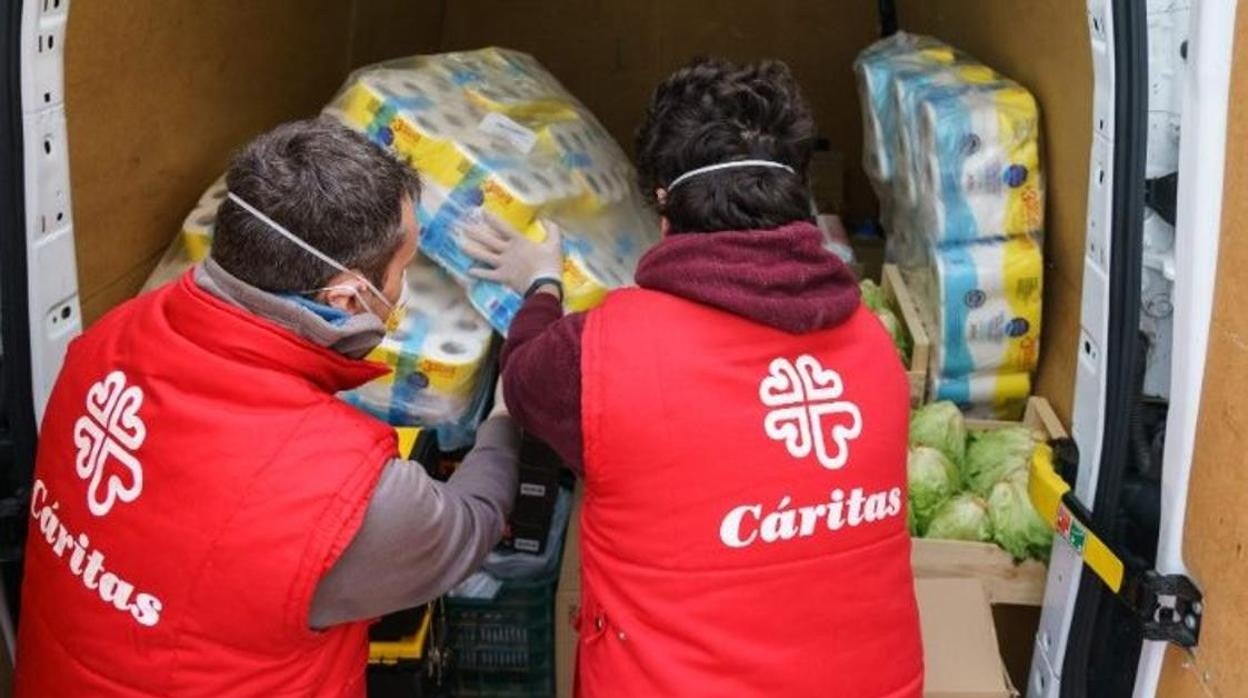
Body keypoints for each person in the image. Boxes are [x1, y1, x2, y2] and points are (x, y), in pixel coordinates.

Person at [465, 58, 923, 697]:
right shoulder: (873, 348)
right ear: (799, 197)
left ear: (663, 206)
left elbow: (523, 383)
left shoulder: (600, 355)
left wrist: (541, 282)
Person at [16, 118, 519, 697]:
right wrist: (505, 417)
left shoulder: (106, 339)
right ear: (346, 298)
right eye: (403, 271)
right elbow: (468, 524)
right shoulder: (351, 498)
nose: (403, 291)